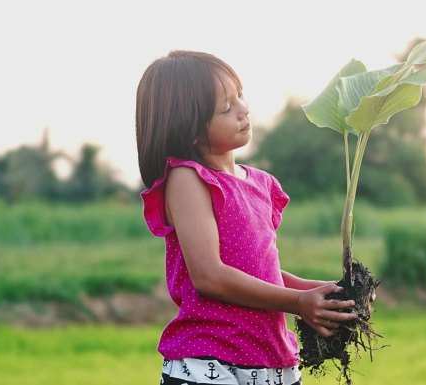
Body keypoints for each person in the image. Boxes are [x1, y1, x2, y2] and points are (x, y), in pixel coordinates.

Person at [135, 50, 357, 385]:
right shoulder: (188, 179)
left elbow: (258, 270)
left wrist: (317, 291)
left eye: (240, 95)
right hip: (211, 364)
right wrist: (298, 301)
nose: (244, 109)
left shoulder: (260, 183)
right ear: (191, 130)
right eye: (226, 107)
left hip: (272, 363)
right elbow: (209, 275)